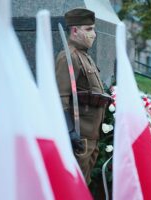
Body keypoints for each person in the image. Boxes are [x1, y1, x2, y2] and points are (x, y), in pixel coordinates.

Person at [55, 8, 110, 184]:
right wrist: (70, 131)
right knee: (74, 187)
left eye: (93, 29)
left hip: (91, 137)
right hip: (80, 137)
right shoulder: (68, 57)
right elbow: (60, 98)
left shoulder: (84, 56)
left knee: (83, 187)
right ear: (75, 30)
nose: (93, 34)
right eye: (88, 29)